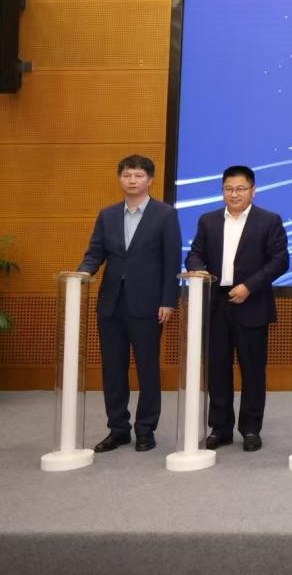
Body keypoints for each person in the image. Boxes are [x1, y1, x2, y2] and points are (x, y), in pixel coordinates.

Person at [77, 154, 181, 453]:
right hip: (111, 303)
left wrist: (168, 300)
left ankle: (146, 428)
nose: (132, 180)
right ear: (119, 179)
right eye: (126, 175)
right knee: (113, 369)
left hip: (148, 304)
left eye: (138, 175)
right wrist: (83, 272)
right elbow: (94, 253)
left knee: (147, 368)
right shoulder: (107, 214)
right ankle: (118, 429)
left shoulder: (165, 215)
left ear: (150, 180)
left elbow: (171, 260)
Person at [185, 165, 289, 452]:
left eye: (241, 189)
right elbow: (194, 254)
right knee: (217, 370)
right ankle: (220, 429)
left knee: (252, 370)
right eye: (229, 189)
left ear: (253, 191)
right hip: (216, 303)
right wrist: (197, 269)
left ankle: (251, 429)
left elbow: (280, 260)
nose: (234, 194)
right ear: (222, 191)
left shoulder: (268, 220)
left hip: (251, 301)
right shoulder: (208, 221)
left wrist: (249, 286)